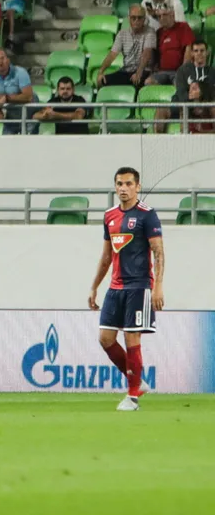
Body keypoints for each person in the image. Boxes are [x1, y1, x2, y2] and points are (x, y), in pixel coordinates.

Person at [88, 167, 165, 412]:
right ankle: (137, 382)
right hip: (115, 287)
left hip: (139, 286)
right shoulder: (109, 216)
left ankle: (132, 397)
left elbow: (158, 252)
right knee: (106, 338)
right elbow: (106, 255)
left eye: (129, 184)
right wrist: (94, 287)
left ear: (138, 187)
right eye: (119, 184)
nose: (123, 188)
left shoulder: (147, 215)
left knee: (132, 338)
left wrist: (158, 287)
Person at [96, 5, 155, 89]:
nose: (136, 21)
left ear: (144, 19)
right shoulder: (122, 34)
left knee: (139, 81)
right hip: (126, 70)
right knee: (103, 80)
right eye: (133, 18)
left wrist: (139, 73)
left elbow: (147, 53)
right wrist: (101, 71)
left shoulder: (150, 32)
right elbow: (112, 54)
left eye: (139, 18)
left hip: (144, 70)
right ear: (129, 18)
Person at [0, 50, 37, 134]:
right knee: (6, 143)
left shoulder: (20, 72)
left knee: (28, 144)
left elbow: (28, 97)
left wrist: (7, 98)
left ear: (8, 60)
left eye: (2, 58)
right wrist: (16, 96)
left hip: (29, 114)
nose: (0, 61)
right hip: (11, 115)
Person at [147, 5, 194, 86]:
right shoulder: (158, 33)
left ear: (172, 15)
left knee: (180, 84)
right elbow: (155, 55)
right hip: (162, 72)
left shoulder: (183, 27)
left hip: (178, 71)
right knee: (148, 82)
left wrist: (183, 71)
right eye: (159, 16)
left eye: (164, 15)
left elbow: (189, 49)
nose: (161, 18)